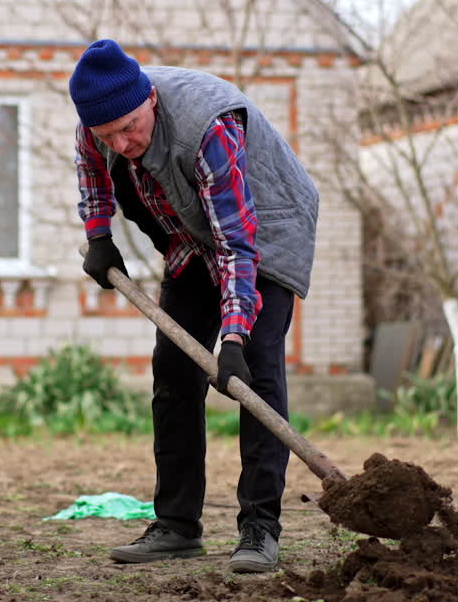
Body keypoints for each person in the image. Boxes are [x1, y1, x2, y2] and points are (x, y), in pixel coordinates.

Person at [69, 39, 319, 574]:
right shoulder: (99, 121)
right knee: (173, 372)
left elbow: (235, 243)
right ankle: (177, 525)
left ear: (150, 102)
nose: (122, 141)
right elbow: (91, 171)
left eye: (131, 127)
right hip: (191, 232)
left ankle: (259, 528)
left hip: (267, 230)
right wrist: (98, 235)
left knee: (258, 378)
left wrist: (233, 339)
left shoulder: (208, 129)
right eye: (109, 134)